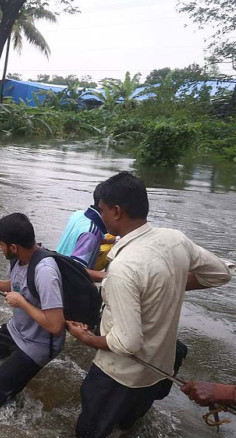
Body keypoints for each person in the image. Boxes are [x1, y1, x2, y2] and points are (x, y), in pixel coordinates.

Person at [65, 172, 232, 438]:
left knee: (91, 431)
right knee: (128, 425)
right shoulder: (174, 238)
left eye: (103, 210)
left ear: (117, 211)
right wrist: (172, 282)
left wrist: (84, 337)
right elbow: (220, 273)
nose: (101, 216)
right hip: (158, 371)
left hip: (118, 376)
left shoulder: (124, 267)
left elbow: (127, 343)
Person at [0, 213, 65, 407]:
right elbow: (15, 285)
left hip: (40, 343)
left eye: (1, 244)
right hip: (18, 330)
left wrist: (22, 303)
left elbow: (56, 326)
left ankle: (12, 417)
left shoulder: (45, 272)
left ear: (13, 247)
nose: (0, 249)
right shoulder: (18, 258)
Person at [56, 183, 108, 281]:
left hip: (56, 270)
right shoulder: (92, 233)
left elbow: (80, 239)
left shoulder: (78, 214)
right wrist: (111, 276)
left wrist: (110, 241)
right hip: (67, 282)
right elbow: (76, 270)